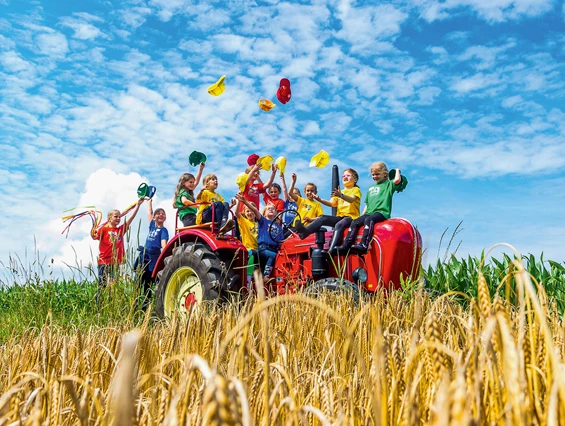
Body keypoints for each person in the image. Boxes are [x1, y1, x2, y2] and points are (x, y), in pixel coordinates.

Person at [335, 162, 407, 254]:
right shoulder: (370, 188)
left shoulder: (388, 185)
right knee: (355, 222)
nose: (375, 176)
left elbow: (397, 180)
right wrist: (361, 216)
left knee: (369, 220)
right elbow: (367, 205)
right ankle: (346, 245)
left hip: (381, 212)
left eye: (377, 174)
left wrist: (397, 170)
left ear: (385, 174)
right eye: (373, 175)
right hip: (370, 212)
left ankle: (365, 244)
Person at [294, 168, 361, 253]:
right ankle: (305, 232)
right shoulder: (340, 191)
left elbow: (351, 199)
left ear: (355, 179)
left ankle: (331, 250)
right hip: (340, 217)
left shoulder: (355, 190)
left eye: (348, 175)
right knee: (322, 218)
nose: (345, 177)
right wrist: (319, 199)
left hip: (351, 217)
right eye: (343, 176)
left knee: (339, 225)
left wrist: (341, 195)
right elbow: (331, 203)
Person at [92, 198, 144, 301]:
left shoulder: (120, 230)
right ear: (109, 218)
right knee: (102, 285)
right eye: (116, 216)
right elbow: (94, 236)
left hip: (115, 263)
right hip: (104, 261)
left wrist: (138, 205)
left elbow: (130, 219)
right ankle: (99, 307)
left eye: (119, 217)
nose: (118, 219)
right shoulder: (104, 229)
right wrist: (92, 231)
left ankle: (110, 305)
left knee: (113, 286)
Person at [238, 196, 283, 280]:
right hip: (263, 248)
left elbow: (281, 241)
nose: (271, 209)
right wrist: (245, 202)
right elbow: (255, 210)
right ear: (264, 213)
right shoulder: (263, 221)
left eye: (273, 209)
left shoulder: (279, 228)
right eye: (268, 208)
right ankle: (266, 277)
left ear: (276, 213)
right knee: (272, 255)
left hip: (274, 249)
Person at [135, 197, 169, 310]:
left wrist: (165, 254)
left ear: (165, 218)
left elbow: (164, 244)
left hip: (154, 257)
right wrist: (148, 201)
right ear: (154, 217)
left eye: (163, 214)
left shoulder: (164, 231)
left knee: (149, 283)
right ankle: (135, 304)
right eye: (158, 213)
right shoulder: (152, 226)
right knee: (138, 282)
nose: (160, 215)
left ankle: (146, 307)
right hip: (145, 256)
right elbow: (149, 212)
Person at [173, 162, 205, 227]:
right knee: (206, 218)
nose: (192, 184)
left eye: (193, 182)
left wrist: (200, 169)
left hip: (192, 217)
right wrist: (198, 206)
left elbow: (197, 181)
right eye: (190, 182)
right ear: (183, 182)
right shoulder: (183, 192)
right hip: (188, 218)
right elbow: (184, 201)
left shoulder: (188, 192)